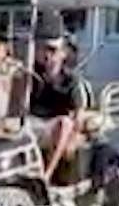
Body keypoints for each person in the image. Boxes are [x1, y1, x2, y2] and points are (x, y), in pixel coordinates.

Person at [27, 27, 87, 181]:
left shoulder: (71, 81)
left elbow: (78, 115)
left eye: (52, 50)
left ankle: (46, 175)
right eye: (43, 49)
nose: (47, 55)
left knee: (65, 123)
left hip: (55, 126)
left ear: (63, 53)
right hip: (31, 123)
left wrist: (74, 136)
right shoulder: (31, 75)